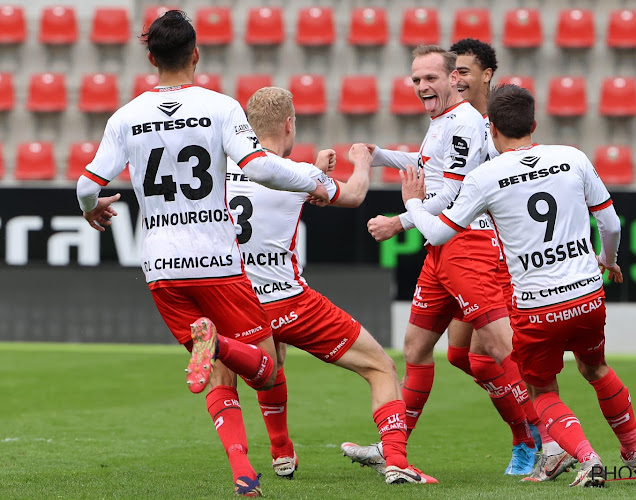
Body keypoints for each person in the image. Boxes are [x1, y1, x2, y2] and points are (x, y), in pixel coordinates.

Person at [75, 11, 329, 498]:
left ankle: (242, 471)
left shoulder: (124, 117)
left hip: (161, 266)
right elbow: (260, 167)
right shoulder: (219, 106)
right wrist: (321, 182)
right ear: (196, 54)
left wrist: (94, 210)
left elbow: (88, 185)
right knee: (266, 368)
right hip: (217, 260)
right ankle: (217, 343)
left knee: (212, 369)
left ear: (151, 58)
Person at [399, 83, 636, 488]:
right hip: (588, 294)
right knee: (596, 368)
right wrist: (609, 260)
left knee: (542, 390)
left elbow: (438, 232)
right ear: (534, 123)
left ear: (493, 132)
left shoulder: (485, 176)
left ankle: (587, 458)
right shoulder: (572, 157)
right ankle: (635, 450)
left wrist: (412, 202)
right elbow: (611, 224)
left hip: (538, 306)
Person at [342, 44, 537, 475]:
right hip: (441, 247)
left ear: (453, 79)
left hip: (469, 244)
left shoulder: (465, 121)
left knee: (499, 351)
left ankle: (539, 438)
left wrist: (400, 220)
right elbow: (428, 166)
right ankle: (394, 446)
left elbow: (453, 192)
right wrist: (379, 156)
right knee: (417, 349)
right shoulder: (444, 121)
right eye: (415, 80)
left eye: (430, 78)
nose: (422, 86)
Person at [225, 86, 436, 485]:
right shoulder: (298, 176)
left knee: (272, 364)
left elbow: (268, 177)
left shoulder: (221, 169)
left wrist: (314, 172)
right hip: (291, 301)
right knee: (380, 367)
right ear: (289, 125)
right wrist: (359, 161)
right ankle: (396, 461)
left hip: (240, 304)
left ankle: (281, 450)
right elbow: (355, 195)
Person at [451, 38, 575, 482]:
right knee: (460, 354)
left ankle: (541, 439)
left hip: (503, 256)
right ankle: (531, 432)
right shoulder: (459, 123)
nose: (456, 78)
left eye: (463, 70)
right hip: (466, 247)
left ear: (486, 75)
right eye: (453, 71)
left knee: (497, 354)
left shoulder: (504, 121)